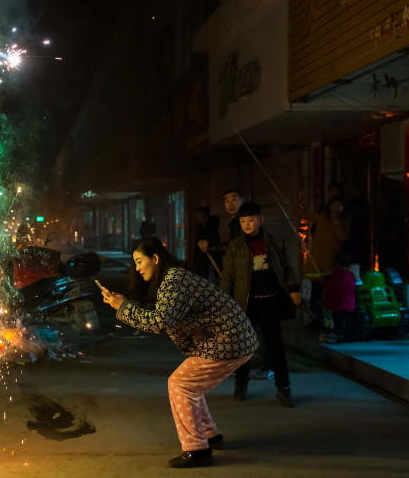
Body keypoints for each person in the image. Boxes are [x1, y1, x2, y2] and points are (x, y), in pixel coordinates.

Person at [101, 237, 258, 468]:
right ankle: (211, 436)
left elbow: (160, 321)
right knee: (190, 386)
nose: (136, 268)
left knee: (180, 384)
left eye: (139, 261)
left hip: (228, 341)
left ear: (155, 259)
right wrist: (124, 306)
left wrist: (123, 308)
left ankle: (197, 450)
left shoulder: (174, 279)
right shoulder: (170, 277)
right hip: (230, 339)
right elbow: (163, 315)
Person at [220, 202, 301, 408]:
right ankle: (241, 384)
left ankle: (284, 388)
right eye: (243, 221)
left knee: (275, 346)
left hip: (270, 301)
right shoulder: (235, 246)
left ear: (261, 220)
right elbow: (228, 276)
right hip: (244, 304)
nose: (247, 224)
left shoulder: (274, 242)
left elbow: (288, 267)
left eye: (251, 219)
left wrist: (294, 289)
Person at [199, 189, 274, 381]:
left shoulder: (244, 224)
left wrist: (212, 248)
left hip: (253, 283)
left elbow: (238, 247)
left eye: (234, 199)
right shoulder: (235, 223)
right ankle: (247, 365)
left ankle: (266, 366)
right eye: (226, 200)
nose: (230, 203)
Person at [290, 195, 350, 327]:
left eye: (338, 207)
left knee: (329, 293)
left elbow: (342, 237)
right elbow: (306, 215)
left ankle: (330, 321)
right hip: (316, 261)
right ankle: (316, 319)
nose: (335, 209)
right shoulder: (321, 217)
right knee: (315, 293)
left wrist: (335, 221)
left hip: (330, 264)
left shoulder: (344, 222)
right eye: (333, 206)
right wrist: (293, 205)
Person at [319, 253, 357, 344]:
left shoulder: (339, 275)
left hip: (340, 303)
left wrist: (323, 281)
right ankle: (343, 335)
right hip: (349, 302)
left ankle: (339, 335)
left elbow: (332, 285)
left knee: (338, 319)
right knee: (343, 319)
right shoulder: (350, 274)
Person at [193, 206, 221, 279]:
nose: (198, 219)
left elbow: (215, 248)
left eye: (200, 216)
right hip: (201, 264)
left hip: (211, 264)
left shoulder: (212, 231)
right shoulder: (199, 230)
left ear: (206, 217)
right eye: (197, 216)